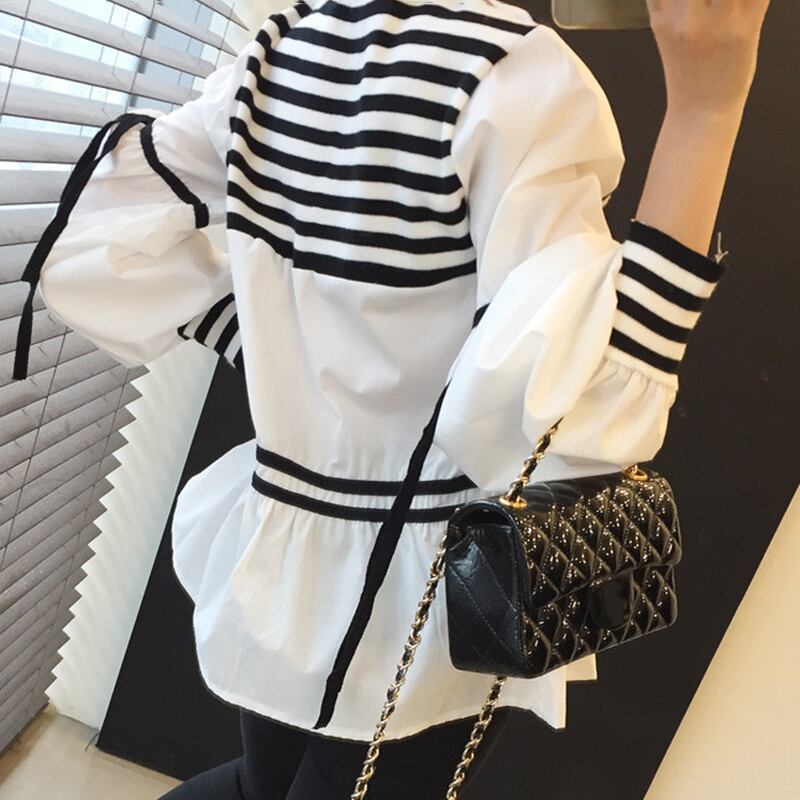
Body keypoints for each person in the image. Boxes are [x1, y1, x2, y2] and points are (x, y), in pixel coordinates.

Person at [11, 0, 770, 797]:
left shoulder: (275, 55)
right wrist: (706, 107)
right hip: (438, 600)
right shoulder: (508, 77)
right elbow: (578, 412)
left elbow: (95, 238)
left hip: (287, 562)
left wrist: (277, 349)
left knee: (258, 790)